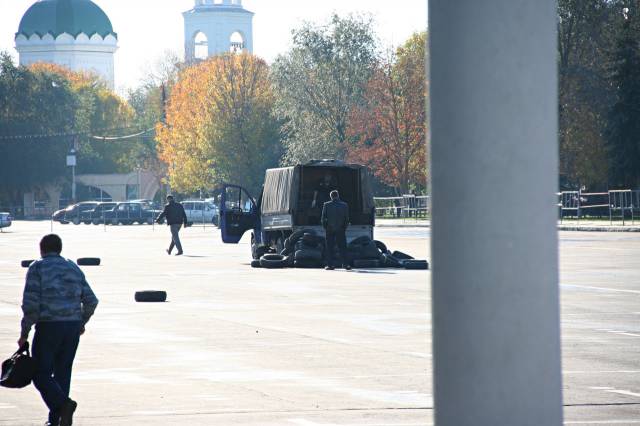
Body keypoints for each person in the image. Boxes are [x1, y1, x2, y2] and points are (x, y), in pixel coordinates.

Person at [18, 234, 99, 426]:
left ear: (42, 249)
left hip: (48, 326)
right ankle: (57, 420)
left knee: (40, 373)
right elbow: (91, 300)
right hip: (71, 327)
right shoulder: (73, 267)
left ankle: (63, 405)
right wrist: (81, 322)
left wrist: (24, 333)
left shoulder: (37, 267)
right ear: (59, 249)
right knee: (63, 373)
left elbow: (31, 304)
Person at [321, 190, 351, 270]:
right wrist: (344, 228)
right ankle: (345, 264)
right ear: (338, 196)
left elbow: (323, 219)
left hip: (330, 229)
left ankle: (330, 265)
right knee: (343, 247)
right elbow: (346, 219)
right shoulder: (344, 205)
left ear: (331, 196)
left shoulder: (326, 205)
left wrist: (326, 227)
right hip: (340, 229)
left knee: (329, 248)